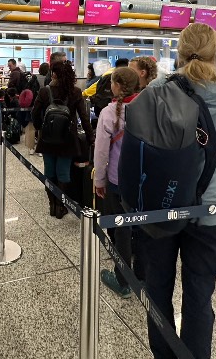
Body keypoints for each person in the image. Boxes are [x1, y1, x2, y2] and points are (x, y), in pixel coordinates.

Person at [138, 23, 216, 359]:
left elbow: (144, 143)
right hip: (210, 208)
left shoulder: (156, 88)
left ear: (179, 50)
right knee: (199, 297)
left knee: (157, 289)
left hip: (162, 205)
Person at [93, 67, 142, 298]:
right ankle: (142, 273)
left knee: (121, 230)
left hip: (117, 180)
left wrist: (99, 180)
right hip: (144, 180)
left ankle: (123, 281)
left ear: (116, 86)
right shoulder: (148, 107)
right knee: (143, 225)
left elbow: (102, 152)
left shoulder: (109, 112)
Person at [32, 61, 94, 219]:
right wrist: (90, 137)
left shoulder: (45, 91)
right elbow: (84, 117)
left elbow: (35, 112)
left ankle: (52, 205)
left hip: (47, 140)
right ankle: (61, 205)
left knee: (49, 172)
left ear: (53, 74)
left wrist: (40, 129)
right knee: (63, 173)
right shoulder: (75, 92)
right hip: (68, 139)